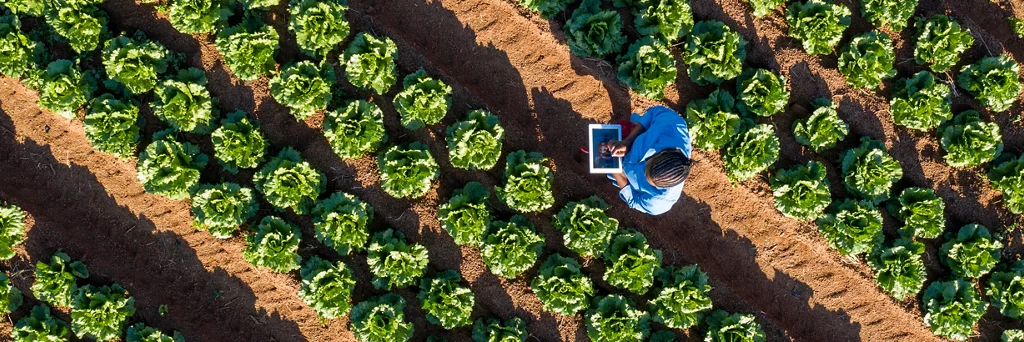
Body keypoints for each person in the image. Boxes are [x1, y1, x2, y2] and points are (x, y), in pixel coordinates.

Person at [603, 105, 692, 215]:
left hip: (622, 173)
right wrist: (628, 142)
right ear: (661, 152)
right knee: (623, 126)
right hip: (629, 145)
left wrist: (614, 167)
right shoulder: (672, 124)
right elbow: (653, 113)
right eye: (645, 168)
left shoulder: (660, 202)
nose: (642, 174)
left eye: (644, 178)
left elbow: (634, 200)